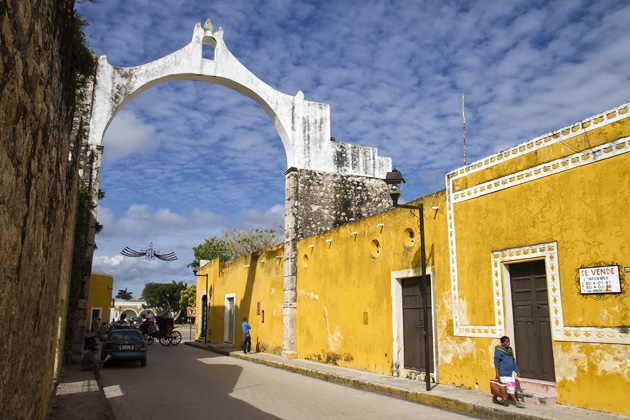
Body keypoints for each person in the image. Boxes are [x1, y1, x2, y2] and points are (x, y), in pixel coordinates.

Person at [494, 336, 525, 408]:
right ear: (502, 343)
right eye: (506, 342)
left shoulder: (510, 350)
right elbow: (496, 362)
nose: (508, 343)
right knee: (510, 388)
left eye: (509, 341)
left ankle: (494, 397)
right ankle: (516, 402)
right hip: (503, 373)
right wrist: (497, 373)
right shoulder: (499, 351)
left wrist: (516, 370)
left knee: (504, 387)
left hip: (510, 372)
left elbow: (513, 361)